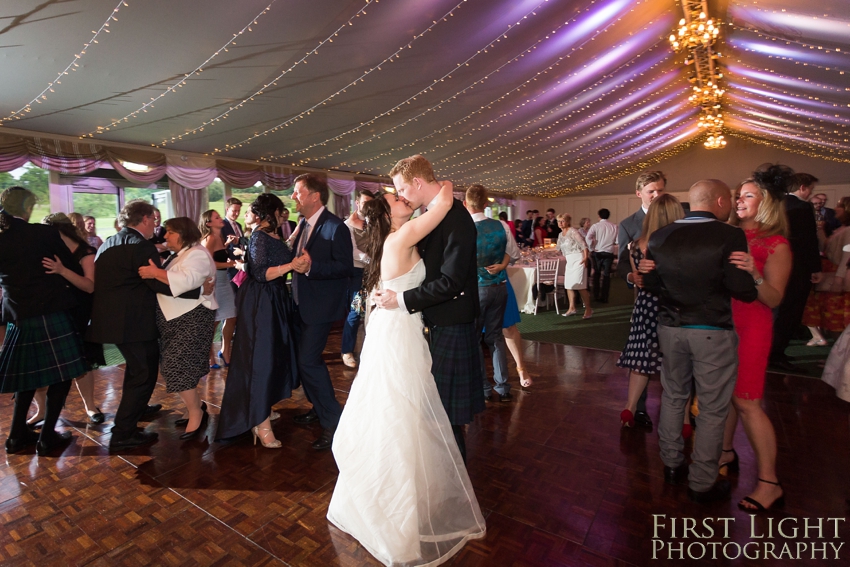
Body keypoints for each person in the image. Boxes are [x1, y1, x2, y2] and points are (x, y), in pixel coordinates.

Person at [327, 179, 486, 567]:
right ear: (386, 214)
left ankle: (407, 495)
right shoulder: (399, 240)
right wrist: (425, 182)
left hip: (401, 330)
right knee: (400, 412)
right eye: (397, 198)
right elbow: (444, 199)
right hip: (400, 334)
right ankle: (397, 516)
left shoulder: (393, 240)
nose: (403, 199)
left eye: (402, 193)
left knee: (403, 411)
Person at [642, 180, 758, 503]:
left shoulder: (660, 235)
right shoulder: (730, 235)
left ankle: (672, 465)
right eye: (730, 199)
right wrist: (755, 277)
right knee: (711, 408)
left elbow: (650, 283)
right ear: (720, 200)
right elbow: (743, 290)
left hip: (670, 328)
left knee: (673, 396)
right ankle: (701, 482)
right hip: (712, 330)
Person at [373, 155, 485, 463]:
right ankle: (442, 475)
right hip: (433, 323)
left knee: (446, 416)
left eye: (402, 190)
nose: (403, 197)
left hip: (451, 322)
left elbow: (451, 281)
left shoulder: (455, 217)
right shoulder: (433, 213)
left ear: (418, 183)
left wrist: (403, 300)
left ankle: (454, 484)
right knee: (436, 412)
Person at [88, 199, 203, 452]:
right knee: (143, 375)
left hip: (112, 321)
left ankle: (137, 409)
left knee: (136, 370)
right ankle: (122, 432)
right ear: (145, 219)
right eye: (154, 220)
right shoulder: (141, 246)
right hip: (134, 323)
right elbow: (157, 283)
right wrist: (199, 290)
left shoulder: (110, 241)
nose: (157, 225)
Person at [719, 168, 792, 511]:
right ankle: (725, 451)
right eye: (739, 195)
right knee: (727, 396)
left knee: (748, 401)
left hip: (753, 326)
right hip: (721, 324)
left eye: (748, 195)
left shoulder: (777, 243)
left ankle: (769, 481)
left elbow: (775, 298)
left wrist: (754, 272)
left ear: (767, 203)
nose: (739, 200)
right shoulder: (728, 234)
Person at [0, 187, 86, 456]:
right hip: (49, 311)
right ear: (28, 208)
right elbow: (71, 267)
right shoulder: (42, 233)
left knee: (27, 377)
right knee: (61, 376)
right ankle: (47, 437)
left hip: (17, 314)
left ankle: (16, 436)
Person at [216, 194, 300, 447]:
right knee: (260, 359)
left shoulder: (271, 236)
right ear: (270, 212)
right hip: (261, 302)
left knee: (273, 355)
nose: (282, 214)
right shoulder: (259, 237)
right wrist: (292, 265)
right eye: (279, 211)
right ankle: (260, 422)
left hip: (274, 299)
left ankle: (263, 406)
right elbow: (261, 273)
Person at [138, 217, 218, 440]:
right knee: (180, 366)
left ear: (183, 233)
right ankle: (196, 407)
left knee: (178, 367)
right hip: (177, 318)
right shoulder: (180, 254)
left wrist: (155, 273)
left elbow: (187, 280)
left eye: (170, 232)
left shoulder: (198, 253)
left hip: (191, 317)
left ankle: (196, 413)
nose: (165, 236)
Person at [289, 174, 353, 450]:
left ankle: (333, 421)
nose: (293, 197)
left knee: (308, 361)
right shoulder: (303, 224)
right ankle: (318, 406)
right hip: (302, 304)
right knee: (305, 361)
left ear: (315, 196)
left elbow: (344, 267)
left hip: (321, 308)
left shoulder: (335, 227)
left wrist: (312, 268)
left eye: (298, 192)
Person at [28, 214, 106, 427]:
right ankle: (42, 410)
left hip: (79, 313)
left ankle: (90, 406)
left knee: (83, 363)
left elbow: (90, 286)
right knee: (42, 365)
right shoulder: (48, 252)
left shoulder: (85, 252)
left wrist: (62, 270)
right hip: (52, 312)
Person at [617, 195, 684, 428]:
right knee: (675, 364)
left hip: (644, 305)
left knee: (641, 360)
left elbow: (640, 281)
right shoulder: (680, 246)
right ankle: (683, 419)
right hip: (670, 306)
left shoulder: (637, 244)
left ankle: (629, 408)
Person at [616, 170, 666, 428]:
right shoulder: (628, 224)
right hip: (645, 299)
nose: (657, 195)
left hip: (671, 300)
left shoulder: (673, 219)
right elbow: (622, 265)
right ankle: (640, 409)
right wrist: (630, 277)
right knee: (642, 356)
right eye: (651, 191)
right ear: (639, 194)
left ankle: (676, 412)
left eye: (660, 190)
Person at [770, 172, 822, 371]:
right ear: (802, 187)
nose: (810, 193)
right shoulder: (802, 207)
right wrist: (815, 268)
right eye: (810, 189)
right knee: (791, 312)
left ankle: (773, 350)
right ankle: (777, 352)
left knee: (779, 310)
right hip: (798, 268)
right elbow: (809, 242)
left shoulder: (777, 204)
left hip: (777, 265)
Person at [465, 185, 511, 402]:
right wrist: (502, 265)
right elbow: (514, 253)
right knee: (495, 337)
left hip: (477, 290)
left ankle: (483, 388)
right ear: (486, 204)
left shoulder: (464, 228)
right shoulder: (501, 225)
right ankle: (503, 387)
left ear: (466, 204)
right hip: (499, 288)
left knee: (474, 339)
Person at [341, 188, 375, 368]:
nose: (367, 206)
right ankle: (347, 350)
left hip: (373, 273)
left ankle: (369, 350)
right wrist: (372, 260)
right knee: (355, 313)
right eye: (364, 203)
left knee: (373, 313)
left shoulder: (372, 222)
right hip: (357, 274)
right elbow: (353, 251)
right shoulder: (348, 225)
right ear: (357, 203)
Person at [200, 210, 238, 368]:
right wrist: (229, 264)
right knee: (213, 321)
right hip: (214, 282)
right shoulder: (210, 238)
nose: (221, 218)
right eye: (217, 217)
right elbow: (206, 263)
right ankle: (210, 358)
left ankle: (225, 350)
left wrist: (227, 245)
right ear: (208, 223)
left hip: (224, 280)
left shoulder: (220, 237)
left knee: (231, 316)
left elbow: (217, 255)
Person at [556, 213, 592, 319]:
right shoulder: (560, 234)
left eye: (562, 221)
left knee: (580, 286)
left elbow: (583, 245)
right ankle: (572, 308)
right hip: (569, 260)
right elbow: (558, 248)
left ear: (567, 222)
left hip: (578, 259)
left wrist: (585, 258)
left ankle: (588, 309)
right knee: (569, 285)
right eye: (559, 221)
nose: (560, 223)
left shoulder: (573, 231)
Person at [585, 208, 618, 303]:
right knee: (606, 275)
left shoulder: (596, 226)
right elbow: (617, 241)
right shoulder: (614, 226)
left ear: (599, 216)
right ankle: (604, 297)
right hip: (608, 253)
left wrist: (591, 248)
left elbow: (588, 237)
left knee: (597, 273)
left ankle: (596, 295)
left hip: (597, 252)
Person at [220, 197, 244, 289]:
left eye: (238, 211)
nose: (237, 214)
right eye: (234, 211)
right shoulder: (221, 225)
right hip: (230, 268)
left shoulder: (239, 225)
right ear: (227, 209)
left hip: (241, 265)